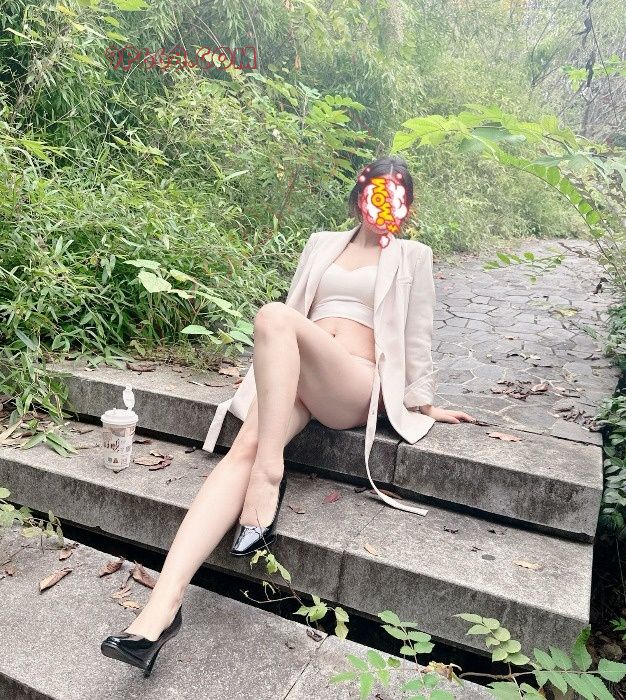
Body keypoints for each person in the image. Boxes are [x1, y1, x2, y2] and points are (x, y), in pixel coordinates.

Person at [99, 155, 475, 676]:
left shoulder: (413, 256)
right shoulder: (323, 244)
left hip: (354, 382)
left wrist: (424, 402)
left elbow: (418, 335)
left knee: (273, 316)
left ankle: (268, 478)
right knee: (246, 446)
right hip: (296, 375)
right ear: (358, 197)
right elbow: (298, 312)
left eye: (395, 198)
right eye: (375, 194)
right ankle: (157, 615)